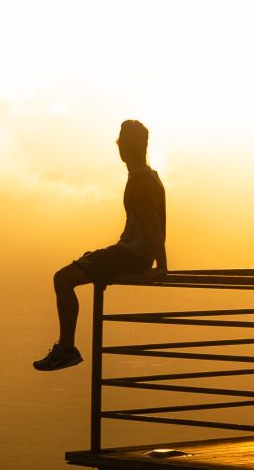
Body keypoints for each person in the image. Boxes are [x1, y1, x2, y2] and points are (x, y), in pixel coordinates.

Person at [34, 119, 166, 371]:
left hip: (130, 255)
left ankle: (66, 349)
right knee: (84, 263)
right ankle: (65, 348)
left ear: (123, 148)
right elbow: (154, 225)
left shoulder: (139, 181)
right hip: (133, 253)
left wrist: (162, 266)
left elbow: (152, 227)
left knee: (62, 279)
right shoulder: (153, 177)